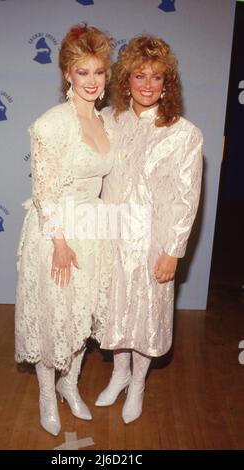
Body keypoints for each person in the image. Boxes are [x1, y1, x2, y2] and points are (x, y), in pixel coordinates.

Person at [95, 35, 203, 424]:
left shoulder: (184, 133)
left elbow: (186, 198)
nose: (147, 85)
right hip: (110, 236)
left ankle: (138, 382)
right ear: (125, 80)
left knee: (144, 317)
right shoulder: (109, 119)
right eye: (139, 76)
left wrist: (173, 250)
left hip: (152, 239)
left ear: (167, 84)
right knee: (115, 313)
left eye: (156, 78)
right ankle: (118, 373)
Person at [15, 24, 113, 436]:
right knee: (54, 313)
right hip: (57, 231)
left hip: (94, 228)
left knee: (84, 315)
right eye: (82, 72)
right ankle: (45, 393)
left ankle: (69, 384)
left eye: (98, 72)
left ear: (107, 75)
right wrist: (58, 242)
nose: (91, 81)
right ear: (67, 75)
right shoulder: (52, 123)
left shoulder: (108, 122)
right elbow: (45, 188)